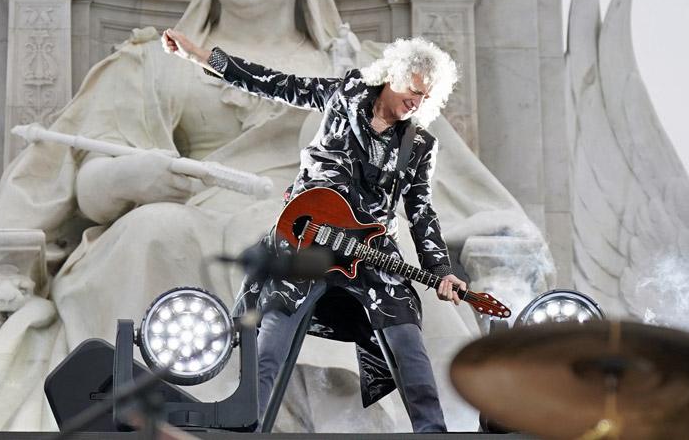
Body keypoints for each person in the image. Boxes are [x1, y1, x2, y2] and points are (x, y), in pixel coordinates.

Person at [0, 0, 543, 431]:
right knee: (150, 230)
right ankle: (169, 414)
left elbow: (453, 191)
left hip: (316, 221)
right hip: (186, 214)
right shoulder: (151, 61)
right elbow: (79, 185)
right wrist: (133, 178)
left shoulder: (360, 67)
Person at [164, 29, 465, 433]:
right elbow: (274, 83)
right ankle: (246, 426)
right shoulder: (344, 95)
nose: (417, 102)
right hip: (311, 234)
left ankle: (432, 433)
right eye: (414, 90)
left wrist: (441, 267)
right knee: (273, 330)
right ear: (394, 74)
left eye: (427, 98)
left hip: (370, 247)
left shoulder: (421, 145)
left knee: (406, 334)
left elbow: (421, 210)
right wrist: (202, 57)